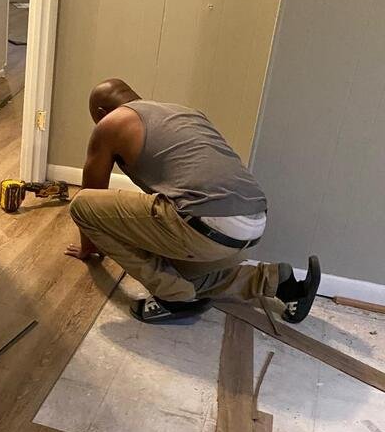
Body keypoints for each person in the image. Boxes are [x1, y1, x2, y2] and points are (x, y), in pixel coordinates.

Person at [66, 78, 320, 324]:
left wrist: (90, 246)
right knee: (179, 275)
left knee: (81, 205)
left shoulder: (111, 123)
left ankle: (174, 298)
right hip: (252, 222)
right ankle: (280, 283)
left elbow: (92, 193)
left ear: (101, 113)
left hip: (206, 224)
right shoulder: (183, 113)